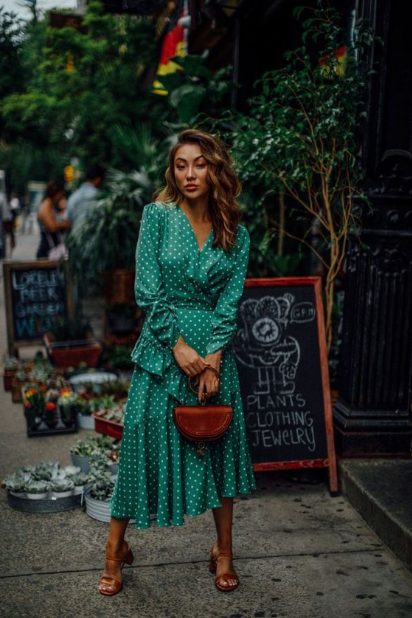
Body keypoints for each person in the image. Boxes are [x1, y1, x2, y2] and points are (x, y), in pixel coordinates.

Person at [99, 128, 256, 596]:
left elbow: (230, 301)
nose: (190, 173)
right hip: (164, 351)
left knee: (219, 449)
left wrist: (212, 355)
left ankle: (223, 551)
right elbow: (146, 289)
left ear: (215, 169)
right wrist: (180, 348)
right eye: (181, 165)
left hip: (214, 352)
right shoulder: (157, 216)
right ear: (173, 170)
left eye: (200, 164)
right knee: (139, 449)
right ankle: (114, 551)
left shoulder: (236, 232)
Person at [36, 181, 71, 259]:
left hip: (53, 250)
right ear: (56, 193)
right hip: (47, 252)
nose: (62, 197)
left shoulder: (52, 206)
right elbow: (52, 227)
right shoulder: (45, 206)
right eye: (61, 194)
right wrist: (65, 224)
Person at [66, 164, 104, 229]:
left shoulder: (74, 196)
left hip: (76, 237)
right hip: (94, 237)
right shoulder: (99, 196)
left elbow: (68, 219)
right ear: (98, 179)